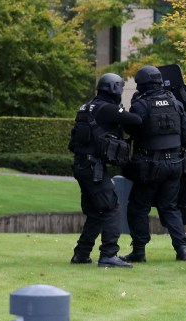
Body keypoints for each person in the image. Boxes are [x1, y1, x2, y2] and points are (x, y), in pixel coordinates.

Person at [68, 73, 142, 268]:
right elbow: (135, 120)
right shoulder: (106, 108)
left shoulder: (86, 107)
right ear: (115, 88)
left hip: (82, 165)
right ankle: (109, 254)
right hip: (93, 168)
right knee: (111, 207)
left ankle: (81, 253)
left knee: (96, 211)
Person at [122, 65, 186, 263]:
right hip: (176, 164)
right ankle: (182, 250)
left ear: (142, 85)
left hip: (150, 166)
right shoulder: (176, 103)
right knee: (170, 207)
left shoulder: (141, 105)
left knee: (138, 207)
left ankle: (139, 251)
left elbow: (133, 133)